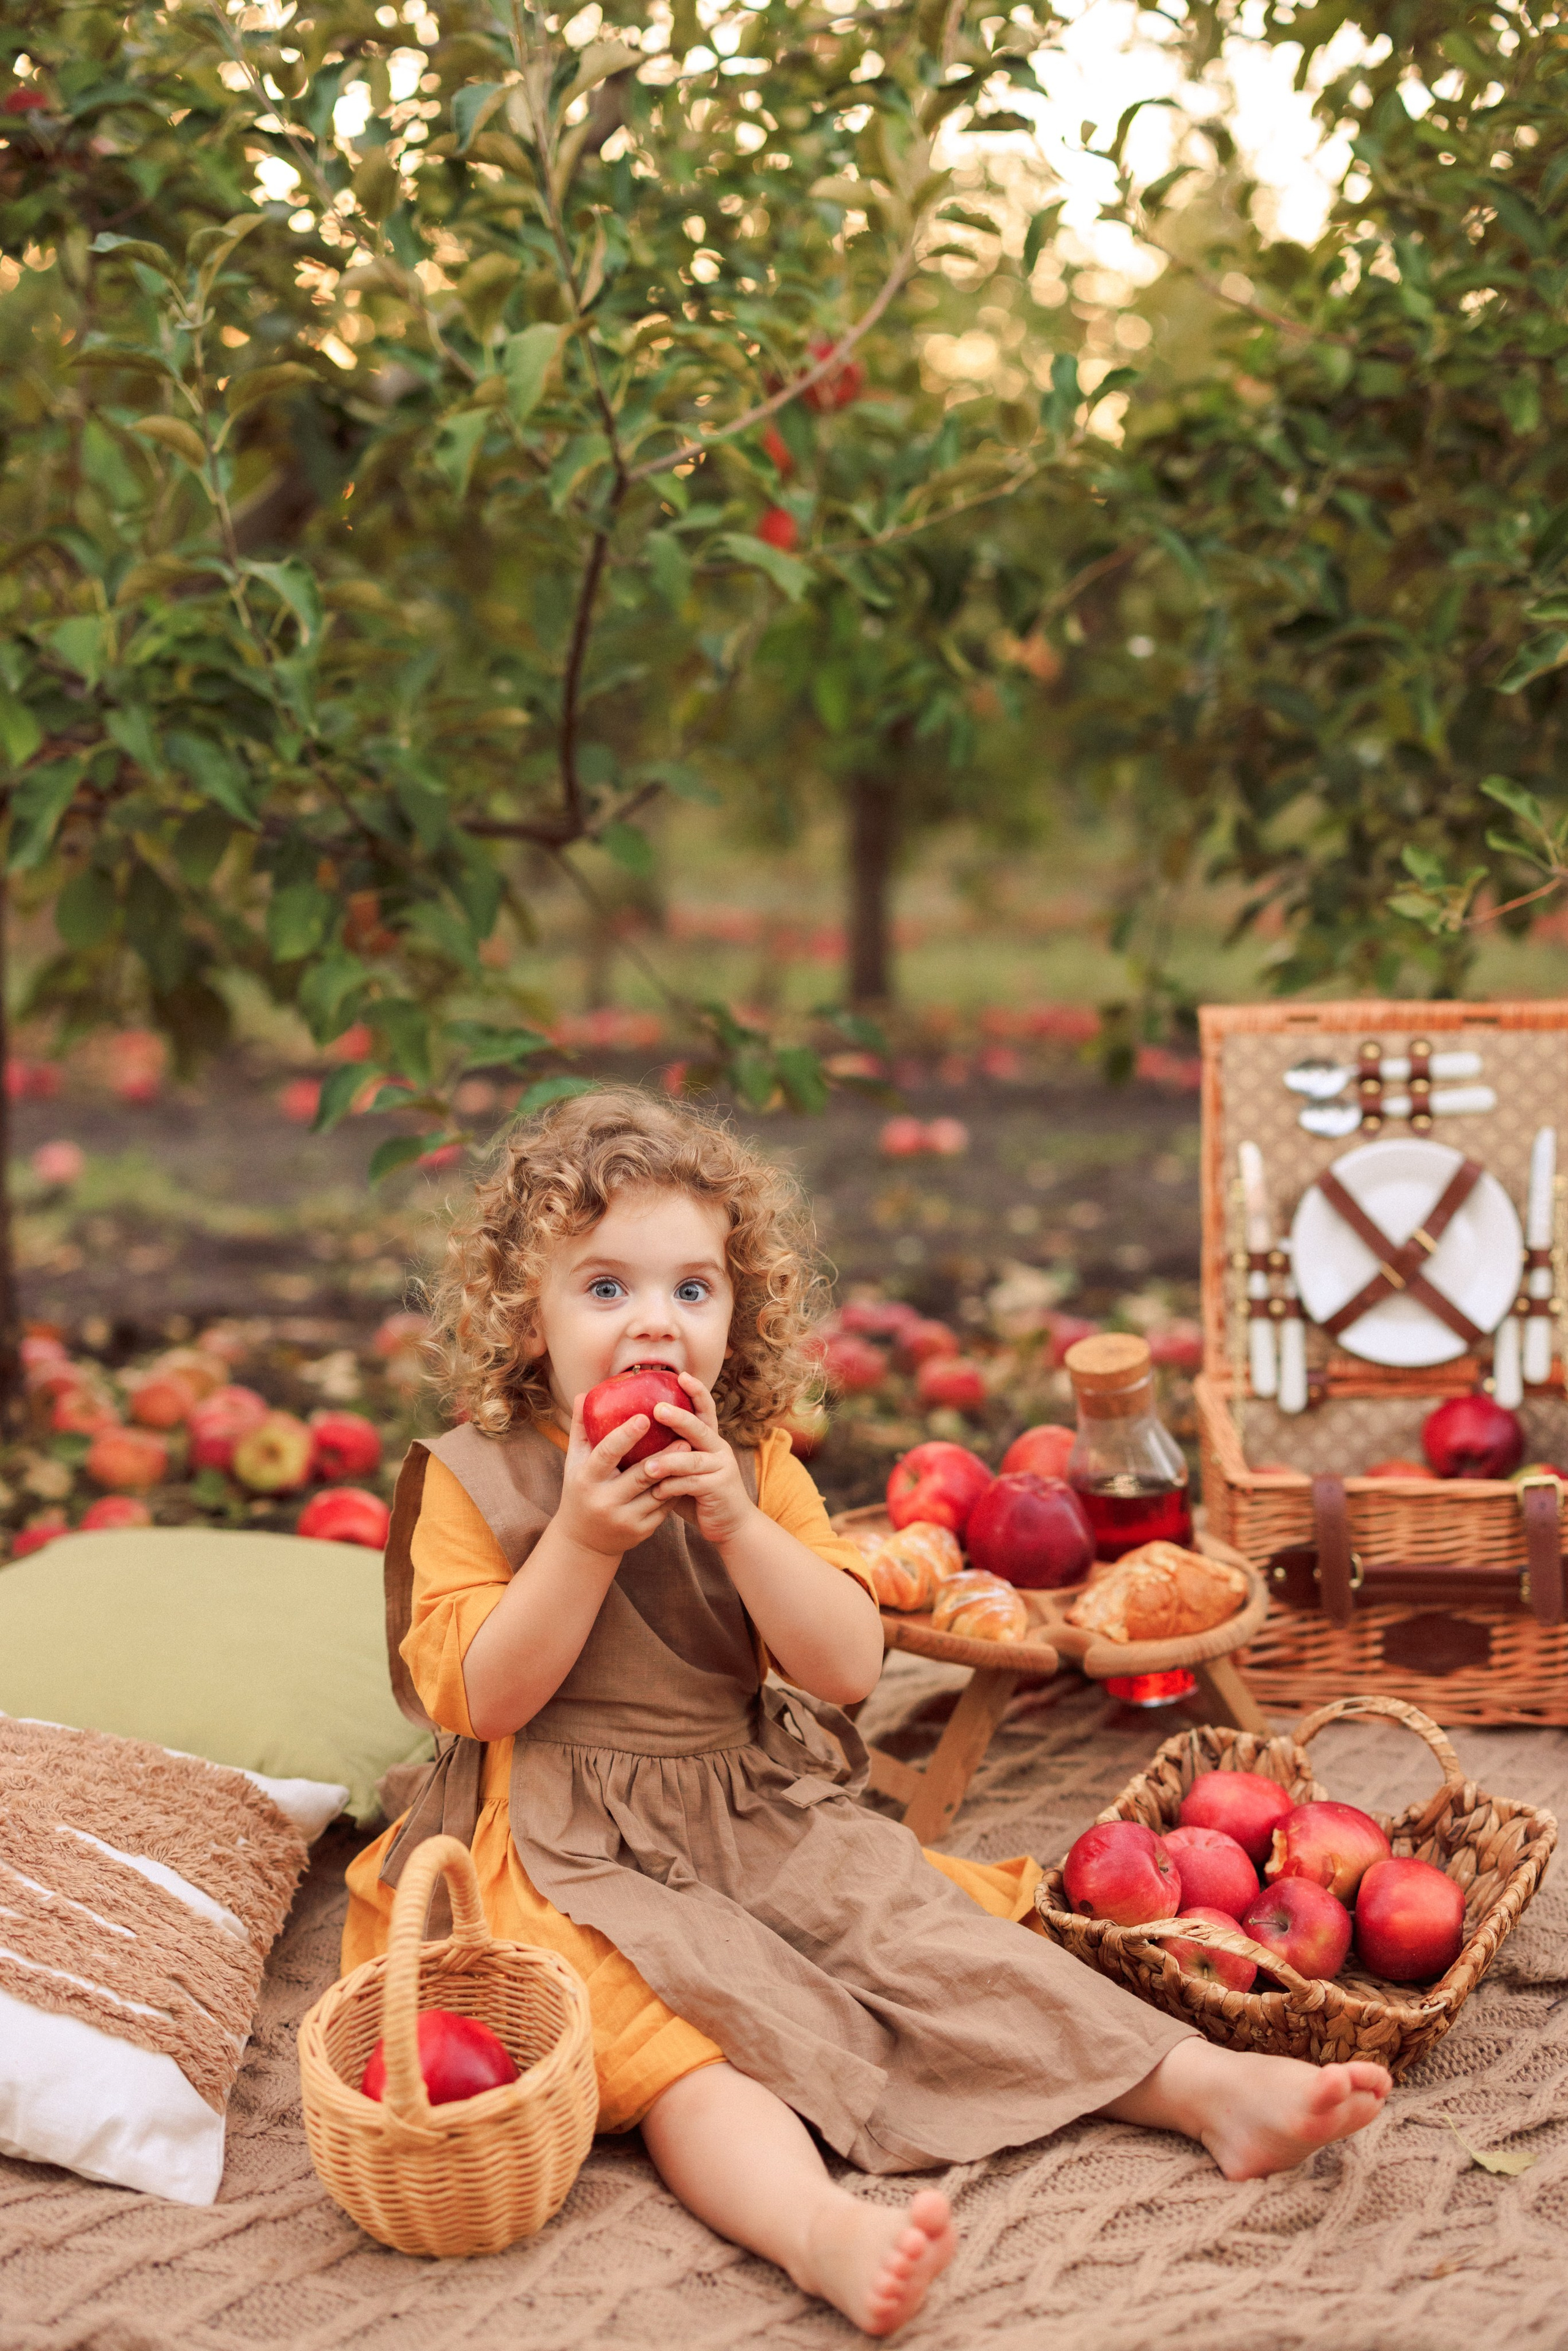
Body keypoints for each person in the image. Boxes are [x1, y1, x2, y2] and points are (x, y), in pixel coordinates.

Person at [344, 1090, 1389, 2336]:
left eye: (692, 1289)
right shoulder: (478, 1473)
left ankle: (1204, 2088)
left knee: (915, 1929)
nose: (653, 1326)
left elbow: (842, 1666)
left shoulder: (754, 1459)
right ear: (529, 1311)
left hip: (733, 1798)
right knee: (690, 2034)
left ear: (737, 1311)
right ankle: (817, 2227)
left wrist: (732, 1521)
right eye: (605, 1286)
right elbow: (486, 1693)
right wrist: (575, 1537)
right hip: (558, 1838)